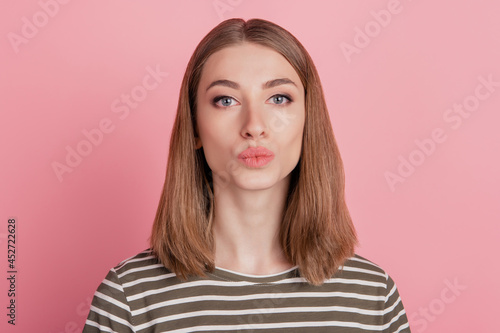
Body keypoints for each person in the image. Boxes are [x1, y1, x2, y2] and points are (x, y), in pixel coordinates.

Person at [83, 18, 411, 332]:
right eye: (226, 100)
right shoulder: (129, 299)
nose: (254, 126)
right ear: (195, 127)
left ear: (309, 120)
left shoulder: (373, 299)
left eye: (279, 98)